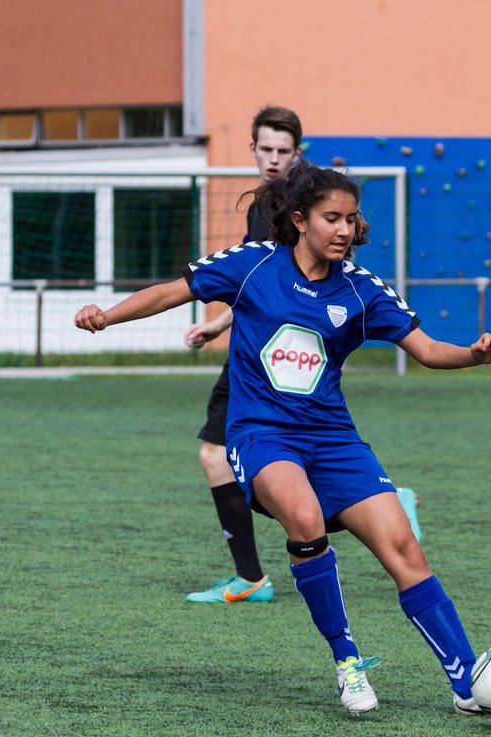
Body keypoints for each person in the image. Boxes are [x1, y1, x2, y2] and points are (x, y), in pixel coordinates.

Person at [75, 164, 491, 717]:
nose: (344, 230)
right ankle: (347, 661)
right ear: (300, 220)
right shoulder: (253, 265)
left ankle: (468, 683)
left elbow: (426, 349)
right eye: (332, 218)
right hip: (261, 434)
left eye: (351, 219)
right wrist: (106, 317)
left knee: (405, 551)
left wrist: (474, 354)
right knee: (302, 518)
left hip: (333, 438)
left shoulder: (361, 288)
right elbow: (170, 292)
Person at [183, 104, 303, 605]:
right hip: (269, 352)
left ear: (298, 153)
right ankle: (388, 502)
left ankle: (251, 578)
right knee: (280, 458)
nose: (273, 159)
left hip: (269, 356)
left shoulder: (289, 208)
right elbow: (255, 284)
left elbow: (280, 288)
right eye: (266, 149)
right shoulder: (265, 205)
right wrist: (216, 323)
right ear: (252, 148)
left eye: (284, 150)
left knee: (220, 455)